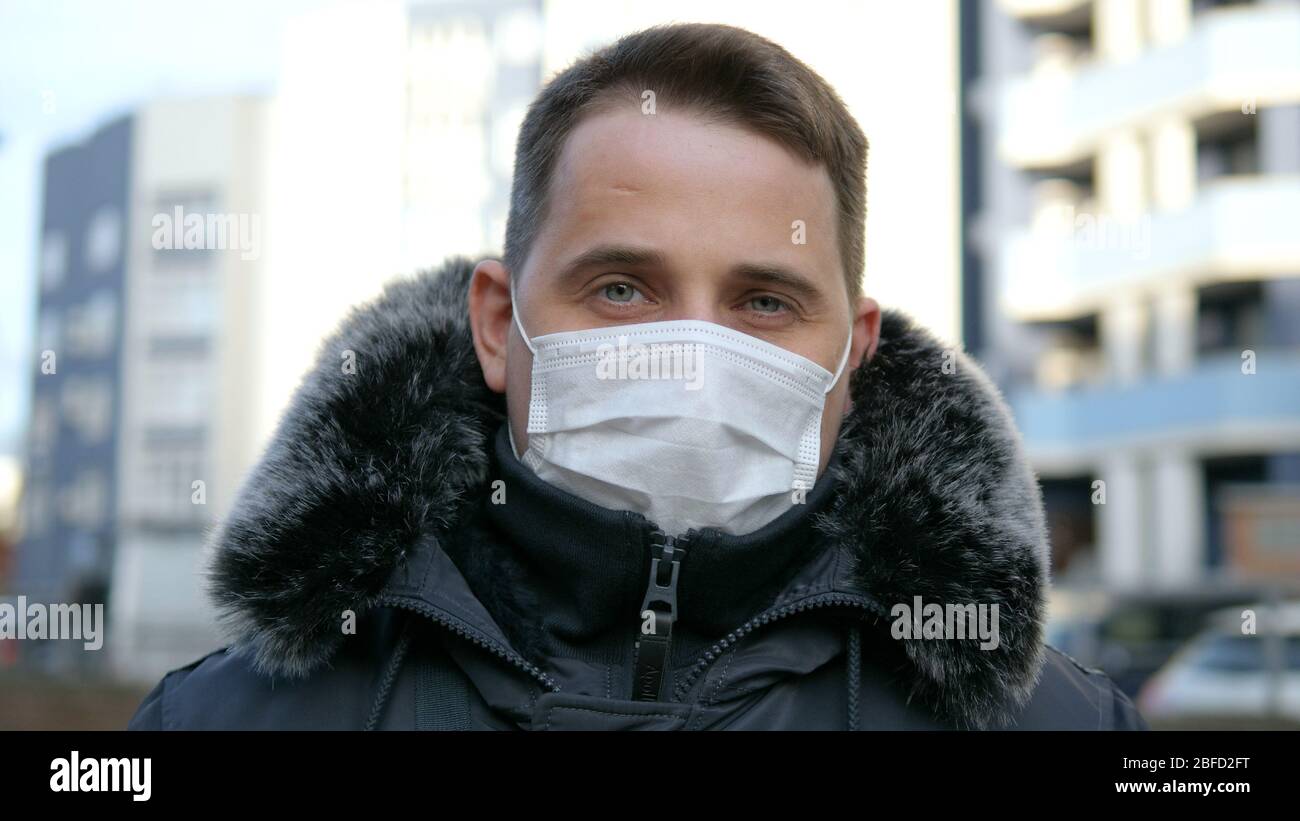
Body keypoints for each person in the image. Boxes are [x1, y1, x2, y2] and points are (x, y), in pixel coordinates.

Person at [129, 22, 1147, 730]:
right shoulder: (223, 718)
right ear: (497, 321)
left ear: (855, 352)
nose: (690, 361)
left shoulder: (1060, 725)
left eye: (764, 303)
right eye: (621, 288)